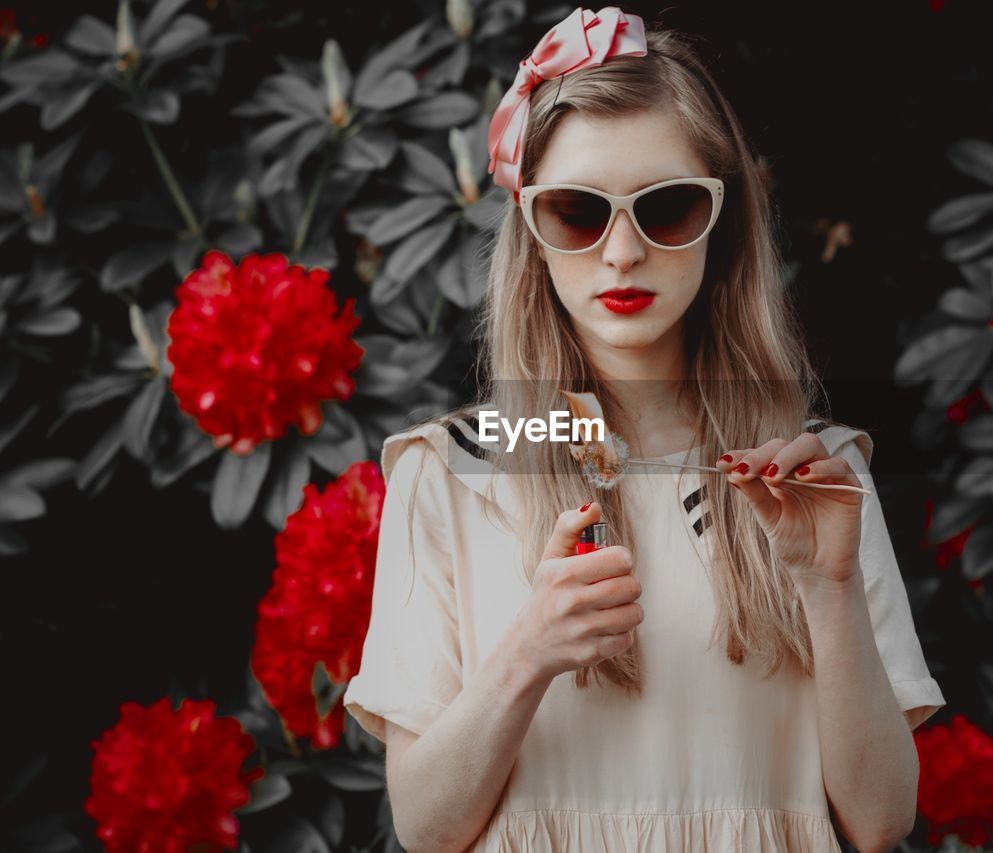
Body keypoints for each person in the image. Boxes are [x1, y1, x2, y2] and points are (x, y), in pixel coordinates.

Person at [342, 7, 946, 852]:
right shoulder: (447, 475)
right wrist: (528, 652)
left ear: (721, 223)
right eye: (578, 213)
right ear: (532, 231)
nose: (622, 252)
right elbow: (426, 827)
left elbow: (880, 820)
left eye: (665, 209)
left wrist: (829, 587)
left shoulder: (814, 480)